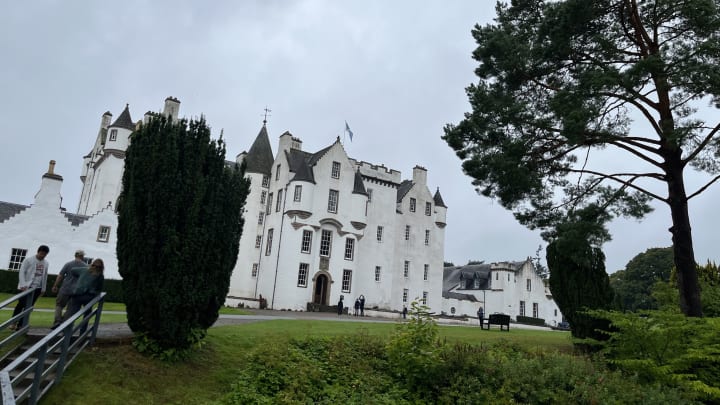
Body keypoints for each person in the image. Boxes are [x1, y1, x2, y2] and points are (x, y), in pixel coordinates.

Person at [11, 245, 50, 330]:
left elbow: (45, 276)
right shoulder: (28, 260)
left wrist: (43, 288)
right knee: (21, 304)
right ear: (38, 251)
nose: (42, 255)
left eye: (45, 254)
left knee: (29, 307)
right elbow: (22, 272)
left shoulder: (46, 263)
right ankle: (13, 322)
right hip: (26, 286)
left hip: (37, 288)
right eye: (41, 253)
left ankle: (21, 325)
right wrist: (23, 285)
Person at [51, 249, 87, 329]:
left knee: (59, 305)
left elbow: (60, 276)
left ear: (75, 255)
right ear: (82, 256)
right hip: (76, 291)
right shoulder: (85, 266)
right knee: (71, 308)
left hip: (65, 288)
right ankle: (65, 323)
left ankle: (57, 321)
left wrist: (55, 285)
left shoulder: (68, 264)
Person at [63, 258, 105, 324]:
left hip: (77, 294)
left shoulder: (84, 270)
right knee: (87, 314)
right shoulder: (100, 275)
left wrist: (79, 278)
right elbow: (99, 288)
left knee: (72, 314)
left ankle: (67, 332)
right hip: (89, 296)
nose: (96, 268)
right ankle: (82, 332)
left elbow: (73, 270)